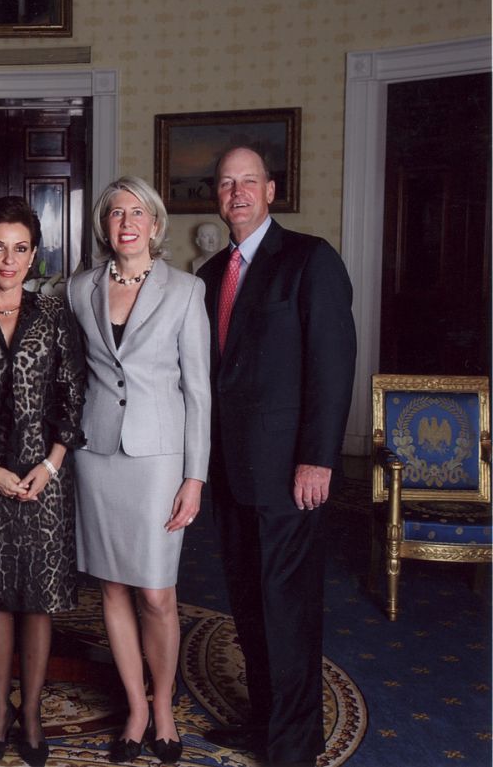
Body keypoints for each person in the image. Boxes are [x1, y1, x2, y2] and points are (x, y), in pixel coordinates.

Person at [196, 147, 356, 767]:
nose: (236, 192)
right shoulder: (211, 274)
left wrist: (318, 458)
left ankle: (293, 747)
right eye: (226, 182)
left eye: (248, 182)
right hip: (232, 472)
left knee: (287, 611)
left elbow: (332, 365)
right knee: (249, 604)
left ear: (271, 191)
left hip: (292, 473)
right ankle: (263, 721)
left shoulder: (310, 259)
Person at [67, 177, 211, 764]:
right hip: (96, 454)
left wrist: (195, 476)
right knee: (113, 587)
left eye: (137, 212)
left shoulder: (186, 289)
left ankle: (165, 705)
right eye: (115, 213)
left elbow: (198, 391)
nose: (126, 222)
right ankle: (136, 708)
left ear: (155, 224)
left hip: (157, 459)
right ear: (105, 226)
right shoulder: (79, 288)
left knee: (156, 592)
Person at [0, 196, 86, 767]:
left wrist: (48, 466)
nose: (9, 259)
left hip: (45, 480)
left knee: (38, 603)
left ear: (34, 255)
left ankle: (31, 715)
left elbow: (74, 401)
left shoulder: (55, 316)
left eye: (20, 248)